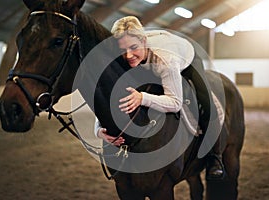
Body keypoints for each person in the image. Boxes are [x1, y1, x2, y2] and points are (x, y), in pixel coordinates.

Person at [94, 16, 224, 180]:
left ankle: (215, 157)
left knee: (206, 102)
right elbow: (107, 97)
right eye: (123, 50)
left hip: (185, 57)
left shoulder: (166, 60)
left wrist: (142, 98)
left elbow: (176, 103)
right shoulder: (126, 55)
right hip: (151, 62)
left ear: (144, 42)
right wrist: (98, 130)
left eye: (134, 47)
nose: (128, 55)